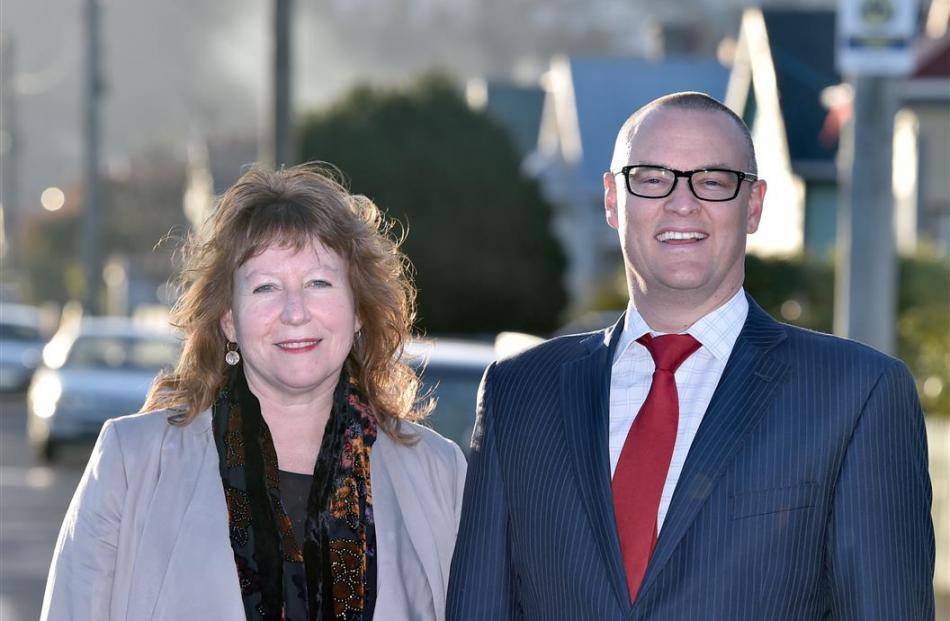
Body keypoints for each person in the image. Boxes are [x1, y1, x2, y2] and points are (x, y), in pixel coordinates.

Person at [446, 92, 935, 620]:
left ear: (753, 205)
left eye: (713, 180)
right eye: (653, 178)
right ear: (612, 199)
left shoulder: (857, 394)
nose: (683, 202)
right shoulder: (517, 392)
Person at [42, 165, 467, 620]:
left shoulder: (438, 473)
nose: (295, 312)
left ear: (359, 309)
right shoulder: (132, 463)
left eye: (318, 283)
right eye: (265, 287)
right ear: (228, 319)